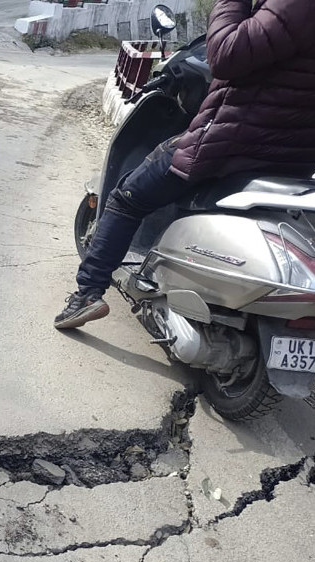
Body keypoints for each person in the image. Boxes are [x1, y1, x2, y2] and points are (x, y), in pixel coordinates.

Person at [54, 0, 315, 330]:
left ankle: (87, 294)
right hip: (295, 156)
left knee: (127, 197)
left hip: (234, 144)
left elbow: (224, 54)